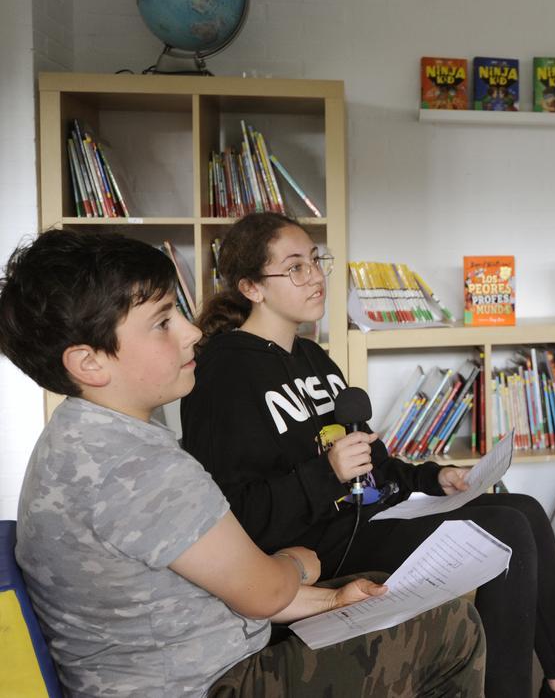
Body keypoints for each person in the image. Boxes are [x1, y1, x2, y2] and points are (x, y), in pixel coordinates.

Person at [0, 229, 485, 697]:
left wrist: (334, 598)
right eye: (164, 321)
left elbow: (242, 585)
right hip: (208, 684)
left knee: (380, 593)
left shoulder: (82, 435)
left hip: (196, 650)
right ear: (88, 363)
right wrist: (295, 563)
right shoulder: (134, 468)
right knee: (453, 629)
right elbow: (264, 591)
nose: (192, 333)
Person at [180, 212, 555, 698]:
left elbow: (370, 461)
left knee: (524, 509)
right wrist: (326, 474)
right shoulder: (222, 375)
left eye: (315, 260)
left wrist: (434, 478)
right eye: (294, 267)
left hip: (366, 517)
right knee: (505, 531)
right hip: (315, 550)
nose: (314, 276)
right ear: (252, 287)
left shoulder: (314, 359)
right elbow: (236, 516)